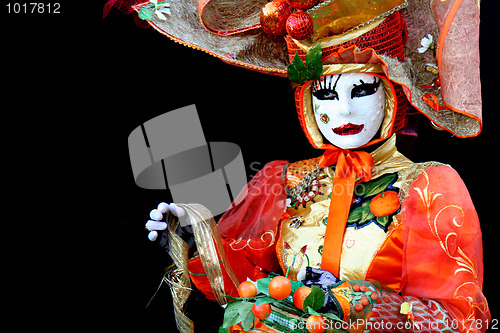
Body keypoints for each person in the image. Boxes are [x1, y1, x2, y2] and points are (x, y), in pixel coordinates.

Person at [107, 0, 489, 331]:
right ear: (306, 103)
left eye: (362, 89)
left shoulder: (429, 187)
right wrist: (195, 239)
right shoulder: (284, 180)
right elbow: (246, 286)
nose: (343, 111)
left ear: (391, 93)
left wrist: (356, 304)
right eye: (325, 93)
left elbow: (457, 319)